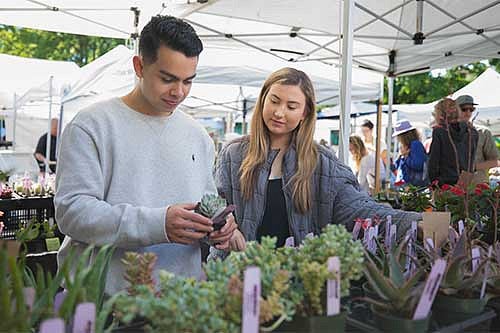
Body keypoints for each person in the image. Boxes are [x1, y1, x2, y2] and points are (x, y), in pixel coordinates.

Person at [55, 15, 236, 294]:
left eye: (188, 81)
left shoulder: (198, 136)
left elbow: (205, 206)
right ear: (139, 66)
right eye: (167, 79)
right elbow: (72, 212)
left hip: (180, 300)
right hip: (104, 301)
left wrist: (217, 226)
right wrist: (158, 224)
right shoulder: (91, 125)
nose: (179, 92)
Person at [215, 68, 420, 250]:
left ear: (305, 113)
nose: (279, 112)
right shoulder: (233, 154)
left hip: (298, 282)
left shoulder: (323, 163)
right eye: (274, 101)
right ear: (263, 100)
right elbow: (213, 206)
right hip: (236, 279)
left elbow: (359, 209)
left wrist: (415, 222)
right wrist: (226, 228)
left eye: (291, 106)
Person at [428, 98, 478, 186]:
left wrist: (434, 182)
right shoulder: (472, 132)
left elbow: (433, 163)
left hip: (444, 184)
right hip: (465, 182)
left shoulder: (439, 131)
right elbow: (472, 161)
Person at [456, 94, 499, 184]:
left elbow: (495, 162)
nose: (468, 113)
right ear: (455, 110)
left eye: (471, 109)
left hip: (478, 186)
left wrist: (472, 167)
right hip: (454, 186)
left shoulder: (483, 132)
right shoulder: (447, 132)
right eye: (464, 109)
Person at [392, 120, 428, 187]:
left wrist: (405, 157)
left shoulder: (415, 144)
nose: (398, 138)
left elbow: (418, 165)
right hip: (406, 183)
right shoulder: (405, 146)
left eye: (398, 136)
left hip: (414, 185)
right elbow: (397, 165)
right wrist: (401, 155)